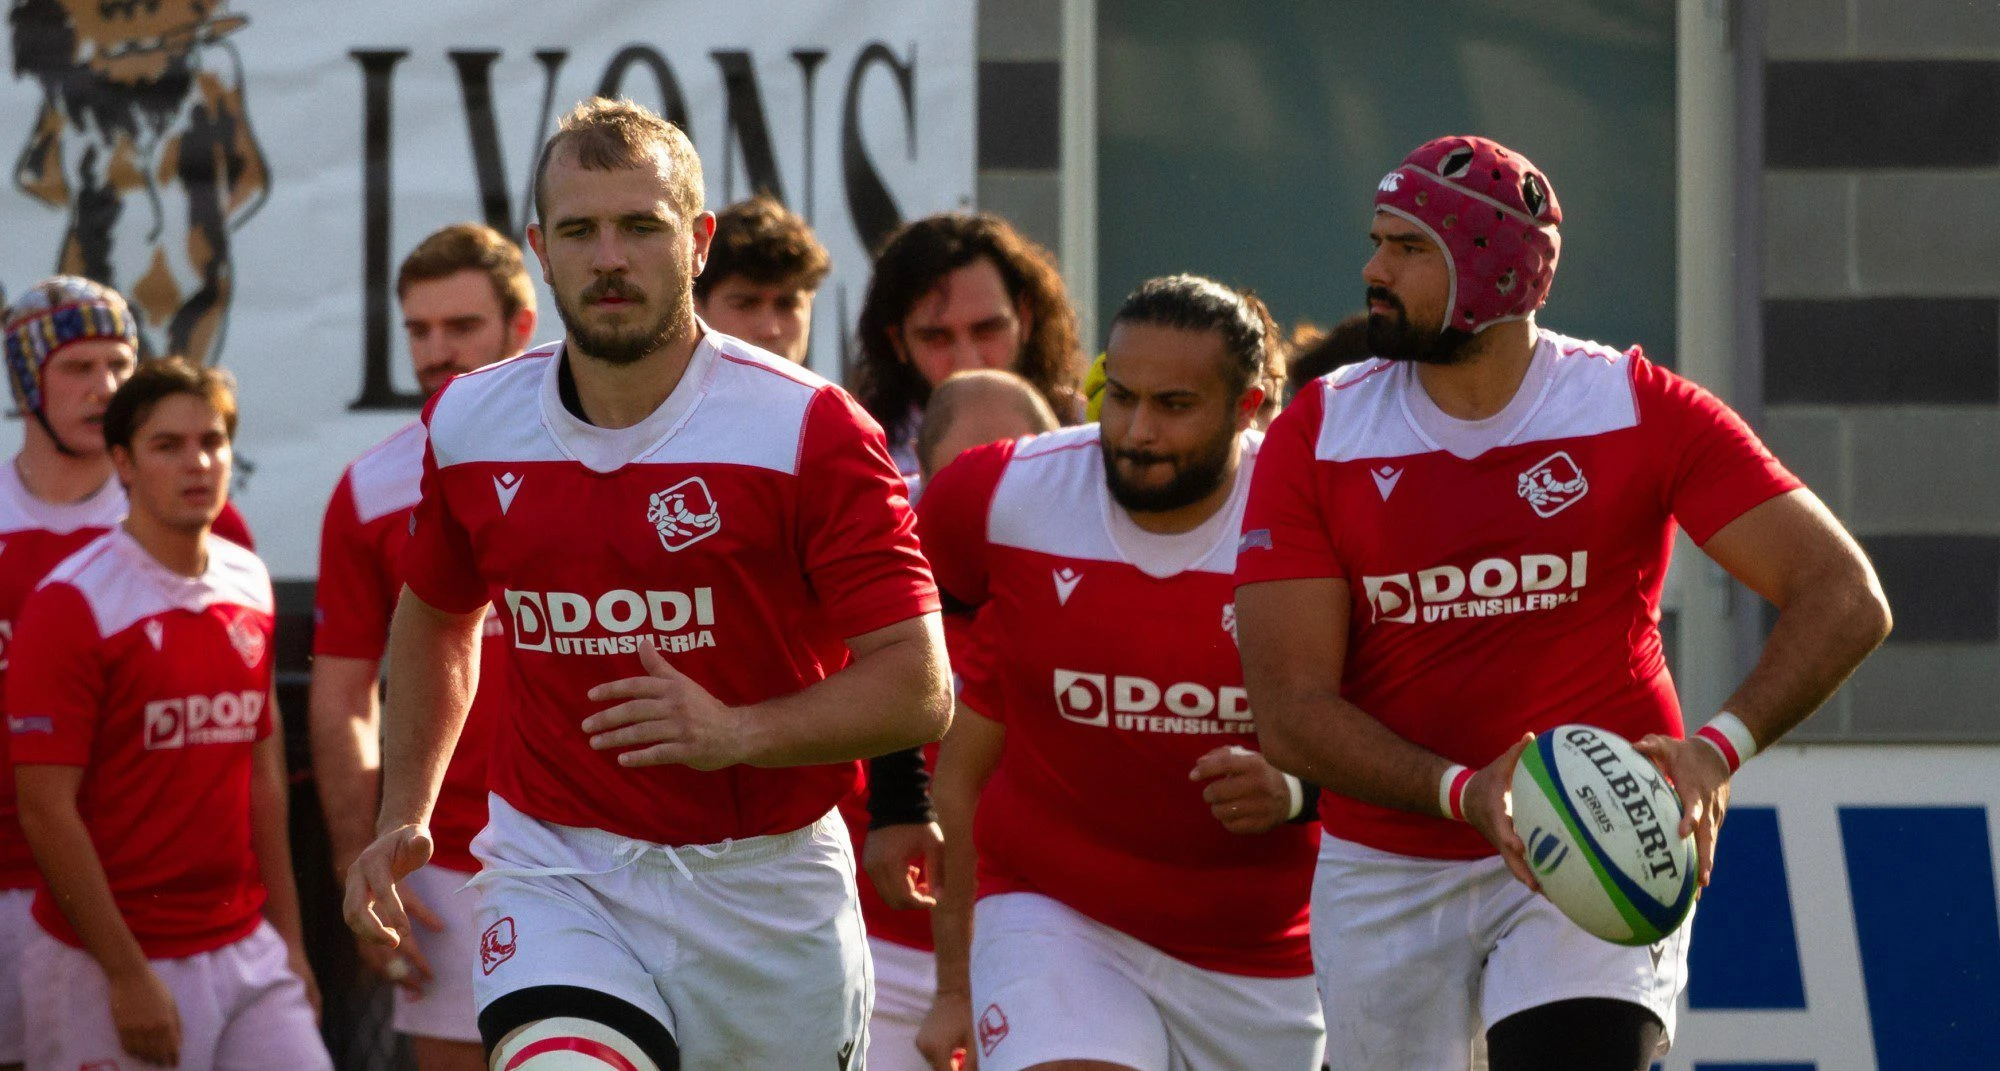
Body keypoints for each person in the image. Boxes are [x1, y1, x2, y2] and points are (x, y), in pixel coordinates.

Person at [1234, 135, 1892, 1071]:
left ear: (1492, 270)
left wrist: (1716, 750)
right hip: (1389, 863)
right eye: (1378, 242)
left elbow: (1845, 595)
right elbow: (1290, 712)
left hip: (1598, 831)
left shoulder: (1635, 405)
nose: (1374, 271)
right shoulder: (1320, 431)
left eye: (1409, 248)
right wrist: (1466, 790)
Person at [341, 97, 952, 1069]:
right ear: (540, 251)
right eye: (579, 231)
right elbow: (436, 618)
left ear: (697, 241)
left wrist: (737, 730)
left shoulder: (809, 428)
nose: (609, 258)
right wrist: (405, 813)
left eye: (640, 225)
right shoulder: (470, 421)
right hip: (556, 869)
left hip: (763, 888)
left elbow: (919, 685)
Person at [916, 275, 1326, 1071]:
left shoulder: (1314, 511)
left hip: (1259, 954)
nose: (1137, 431)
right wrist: (903, 803)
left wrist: (1296, 790)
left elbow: (1406, 721)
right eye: (1123, 396)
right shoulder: (1001, 491)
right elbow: (893, 638)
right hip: (1054, 915)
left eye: (1174, 405)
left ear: (1248, 406)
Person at [7, 358, 329, 1070]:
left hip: (245, 948)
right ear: (122, 463)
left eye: (212, 442)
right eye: (167, 445)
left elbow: (263, 776)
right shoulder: (71, 602)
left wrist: (290, 941)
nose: (198, 463)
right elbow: (45, 811)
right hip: (106, 962)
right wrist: (125, 974)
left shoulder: (249, 580)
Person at [0, 277, 253, 1071]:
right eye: (78, 366)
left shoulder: (192, 514)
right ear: (27, 380)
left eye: (119, 363)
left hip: (133, 905)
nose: (104, 386)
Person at [311, 222, 537, 1071]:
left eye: (462, 326)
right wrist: (359, 855)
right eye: (419, 329)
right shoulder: (371, 488)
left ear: (521, 325)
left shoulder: (597, 460)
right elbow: (343, 697)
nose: (437, 350)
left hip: (601, 845)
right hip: (441, 861)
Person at [849, 368, 1059, 1071]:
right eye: (966, 474)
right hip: (872, 944)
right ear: (920, 476)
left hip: (1046, 947)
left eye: (1013, 468)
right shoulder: (859, 559)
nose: (987, 498)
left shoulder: (1092, 570)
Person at [853, 212, 1083, 487]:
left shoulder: (1094, 439)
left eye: (987, 330)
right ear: (897, 342)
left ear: (1025, 319)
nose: (968, 362)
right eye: (937, 338)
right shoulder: (858, 457)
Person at [691, 194, 831, 364]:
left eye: (787, 304)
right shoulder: (670, 383)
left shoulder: (825, 384)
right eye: (746, 304)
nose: (770, 330)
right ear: (695, 306)